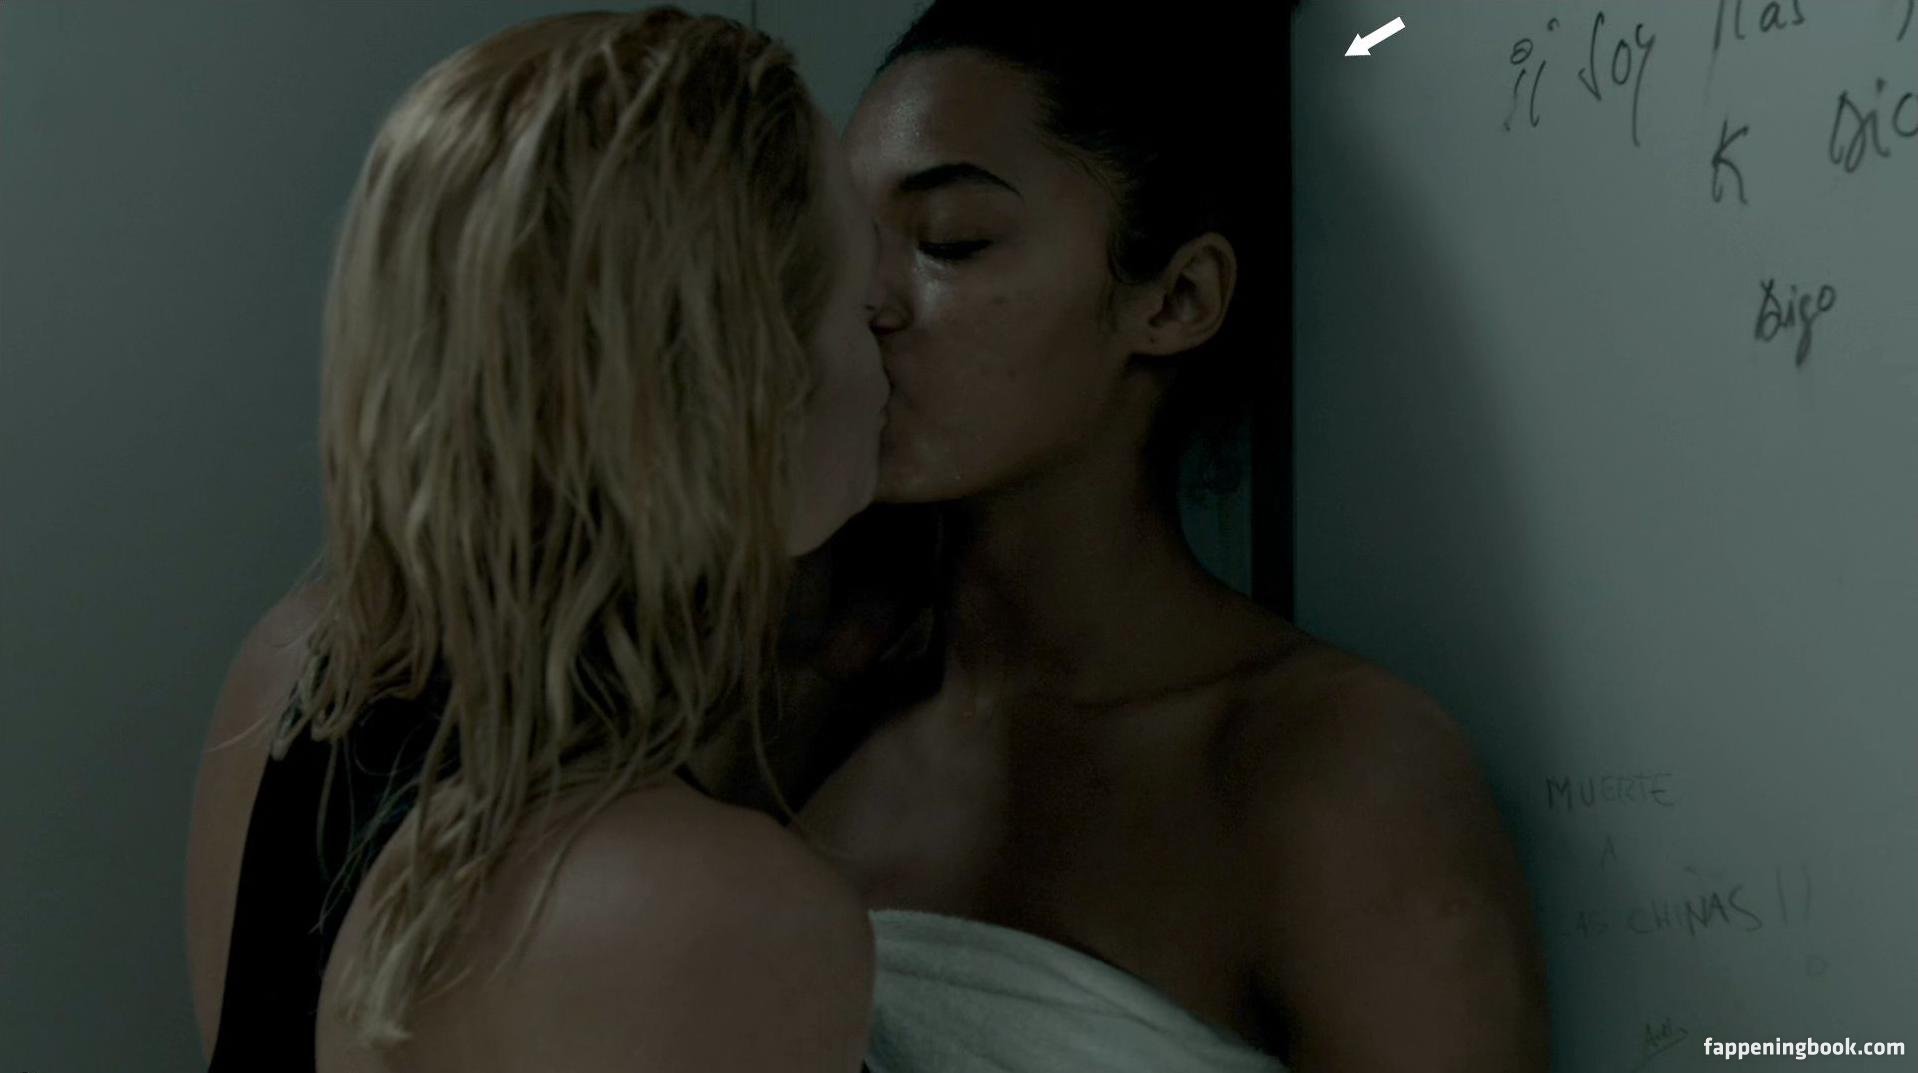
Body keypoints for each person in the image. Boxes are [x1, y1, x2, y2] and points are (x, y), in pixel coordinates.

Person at [791, 3, 1553, 1069]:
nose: (866, 301)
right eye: (847, 243)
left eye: (950, 241)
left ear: (1178, 297)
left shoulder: (1328, 777)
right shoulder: (805, 726)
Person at [182, 9, 889, 1071]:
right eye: (864, 300)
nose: (895, 331)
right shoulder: (703, 908)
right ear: (749, 391)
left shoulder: (297, 673)